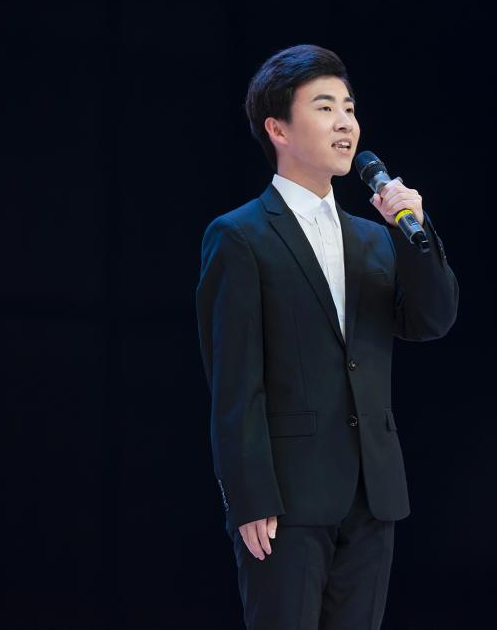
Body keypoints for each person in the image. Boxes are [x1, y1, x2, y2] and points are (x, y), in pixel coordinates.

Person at [195, 44, 459, 630]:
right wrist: (249, 495)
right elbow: (234, 381)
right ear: (278, 128)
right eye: (324, 107)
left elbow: (431, 320)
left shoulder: (374, 238)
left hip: (372, 491)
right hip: (285, 499)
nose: (345, 122)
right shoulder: (239, 236)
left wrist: (416, 232)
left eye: (349, 108)